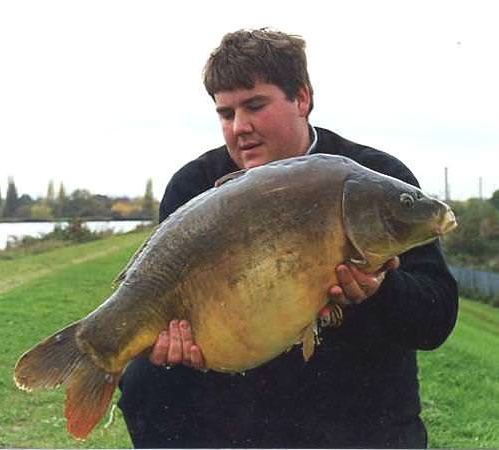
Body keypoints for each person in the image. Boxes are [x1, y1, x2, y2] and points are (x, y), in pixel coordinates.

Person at [118, 28, 458, 448]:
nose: (240, 127)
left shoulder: (375, 182)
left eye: (255, 106)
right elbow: (166, 305)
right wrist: (171, 347)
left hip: (357, 411)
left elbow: (436, 319)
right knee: (147, 381)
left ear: (302, 98)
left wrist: (379, 293)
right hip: (242, 403)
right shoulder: (195, 187)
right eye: (226, 114)